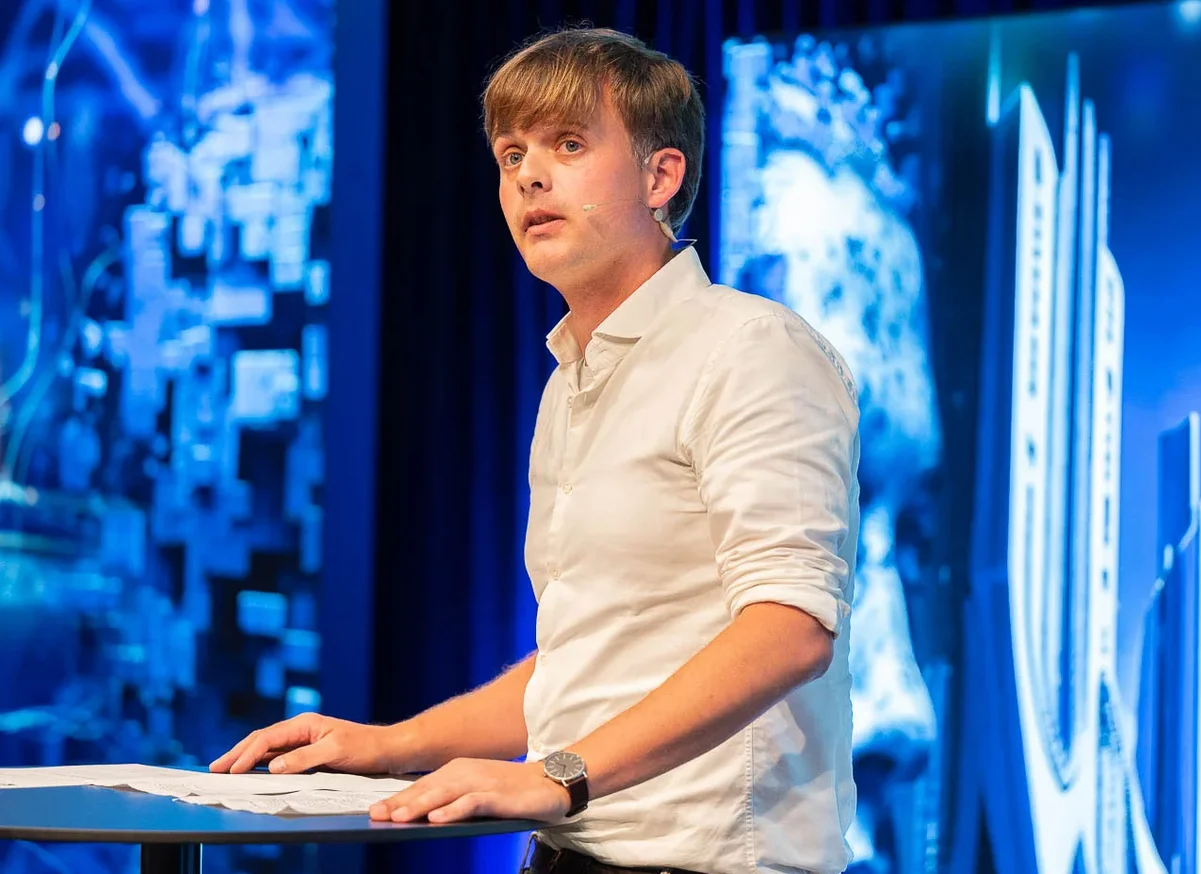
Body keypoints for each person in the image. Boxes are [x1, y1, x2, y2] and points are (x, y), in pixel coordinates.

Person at [210, 25, 862, 874]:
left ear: (662, 176)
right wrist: (391, 744)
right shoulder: (573, 374)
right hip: (568, 850)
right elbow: (583, 660)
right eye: (511, 155)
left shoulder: (751, 348)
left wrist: (557, 778)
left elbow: (789, 628)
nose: (529, 176)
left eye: (568, 144)